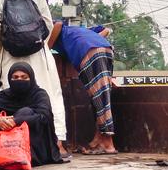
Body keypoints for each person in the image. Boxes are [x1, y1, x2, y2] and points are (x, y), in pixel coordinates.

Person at [0, 0, 69, 158]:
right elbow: (48, 24)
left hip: (11, 57)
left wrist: (0, 50)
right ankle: (57, 143)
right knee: (50, 96)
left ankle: (15, 145)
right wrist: (38, 43)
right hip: (39, 55)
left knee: (12, 98)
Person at [0, 63, 64, 170]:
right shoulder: (4, 95)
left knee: (25, 111)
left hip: (33, 144)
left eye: (24, 77)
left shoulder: (39, 94)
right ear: (10, 79)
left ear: (31, 78)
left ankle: (2, 156)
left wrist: (16, 120)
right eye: (15, 77)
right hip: (3, 133)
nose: (19, 80)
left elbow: (44, 117)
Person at [48, 21, 117, 154]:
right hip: (106, 50)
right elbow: (106, 30)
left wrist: (46, 48)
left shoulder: (58, 29)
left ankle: (108, 144)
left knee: (101, 99)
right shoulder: (83, 30)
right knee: (99, 98)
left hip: (91, 52)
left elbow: (58, 25)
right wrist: (94, 41)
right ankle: (98, 140)